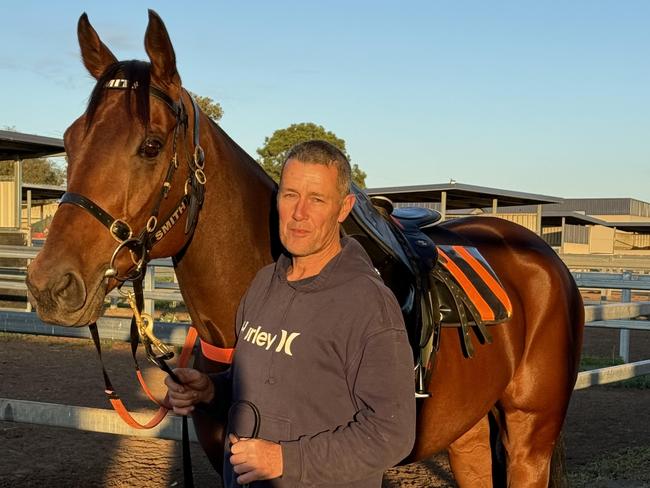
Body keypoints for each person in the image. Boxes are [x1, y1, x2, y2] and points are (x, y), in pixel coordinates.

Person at [165, 140, 416, 487]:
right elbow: (257, 384)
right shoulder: (263, 283)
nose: (299, 213)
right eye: (289, 195)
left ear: (343, 208)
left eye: (316, 199)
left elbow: (392, 433)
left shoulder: (367, 304)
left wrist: (286, 460)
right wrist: (209, 390)